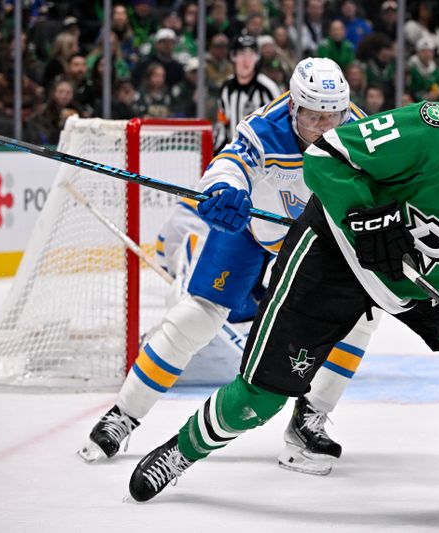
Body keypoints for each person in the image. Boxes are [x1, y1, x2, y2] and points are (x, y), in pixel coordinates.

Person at [128, 65, 439, 511]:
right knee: (263, 395)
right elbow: (325, 156)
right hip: (335, 256)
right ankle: (181, 451)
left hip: (414, 278)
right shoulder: (431, 127)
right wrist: (364, 216)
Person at [80, 57, 376, 477]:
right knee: (194, 320)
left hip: (318, 242)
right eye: (312, 118)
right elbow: (229, 163)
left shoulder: (363, 134)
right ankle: (123, 415)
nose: (324, 129)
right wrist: (224, 191)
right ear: (293, 106)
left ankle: (309, 419)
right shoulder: (264, 128)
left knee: (362, 316)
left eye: (334, 117)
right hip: (253, 230)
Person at [213, 34, 282, 153]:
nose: (246, 61)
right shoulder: (226, 88)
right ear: (233, 57)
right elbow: (222, 125)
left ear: (257, 57)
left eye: (251, 54)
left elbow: (280, 126)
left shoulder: (268, 88)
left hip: (265, 157)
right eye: (241, 54)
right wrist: (216, 154)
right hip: (235, 156)